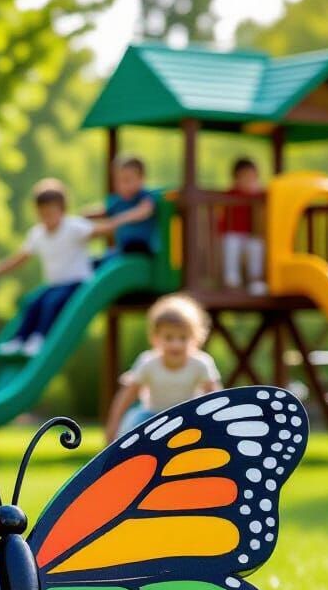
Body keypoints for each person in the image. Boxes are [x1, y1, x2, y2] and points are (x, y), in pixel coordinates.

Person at [0, 179, 115, 357]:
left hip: (77, 282)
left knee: (51, 302)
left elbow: (104, 231)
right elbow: (18, 259)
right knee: (31, 302)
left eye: (51, 212)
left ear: (62, 210)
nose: (46, 218)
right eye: (42, 214)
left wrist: (118, 216)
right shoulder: (37, 234)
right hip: (54, 284)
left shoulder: (73, 226)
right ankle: (20, 339)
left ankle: (39, 339)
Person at [105, 294, 221, 442]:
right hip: (152, 415)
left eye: (183, 338)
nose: (176, 344)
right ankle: (118, 453)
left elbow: (215, 397)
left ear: (196, 337)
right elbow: (127, 395)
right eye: (169, 337)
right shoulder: (148, 362)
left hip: (187, 417)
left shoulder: (201, 363)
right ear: (155, 338)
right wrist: (113, 426)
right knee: (133, 421)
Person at [87, 155, 158, 265]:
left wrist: (117, 221)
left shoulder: (144, 197)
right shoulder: (118, 201)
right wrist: (82, 216)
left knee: (131, 246)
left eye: (127, 180)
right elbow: (102, 211)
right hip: (122, 252)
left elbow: (145, 210)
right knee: (94, 262)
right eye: (118, 181)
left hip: (141, 252)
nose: (122, 186)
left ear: (141, 179)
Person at [219, 157, 266, 295]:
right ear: (236, 178)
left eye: (252, 177)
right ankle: (231, 280)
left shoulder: (260, 196)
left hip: (251, 236)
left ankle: (255, 280)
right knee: (231, 243)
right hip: (233, 236)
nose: (248, 180)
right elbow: (221, 221)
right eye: (245, 177)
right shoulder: (230, 195)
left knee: (256, 246)